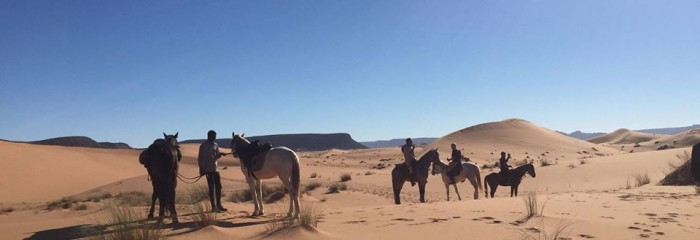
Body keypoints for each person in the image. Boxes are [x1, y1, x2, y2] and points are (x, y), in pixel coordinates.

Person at [198, 130, 228, 212]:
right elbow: (200, 158)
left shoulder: (216, 145)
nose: (214, 138)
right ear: (208, 136)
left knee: (219, 186)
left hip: (215, 169)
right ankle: (213, 206)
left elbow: (216, 156)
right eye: (213, 136)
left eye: (215, 136)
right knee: (211, 188)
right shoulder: (203, 146)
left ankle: (219, 205)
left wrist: (220, 154)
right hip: (207, 169)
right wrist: (201, 168)